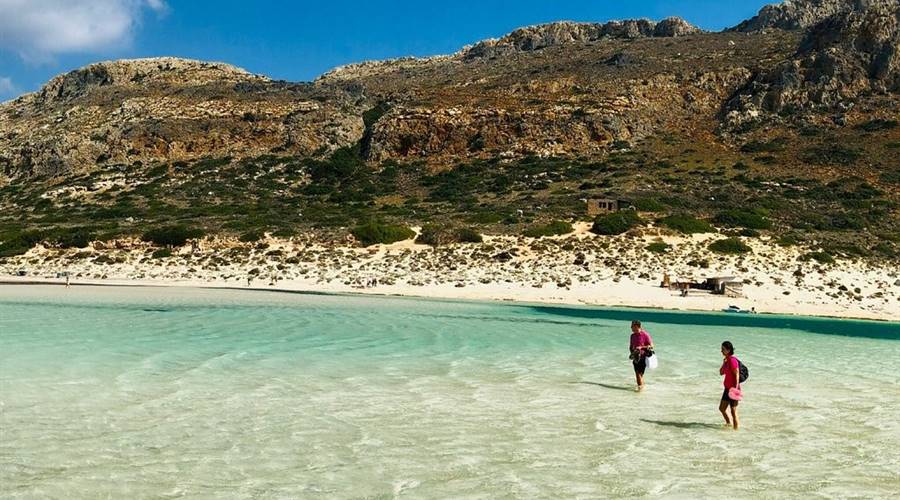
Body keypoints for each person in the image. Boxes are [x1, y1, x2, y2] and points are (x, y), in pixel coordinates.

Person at [719, 341, 741, 430]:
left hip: (734, 389)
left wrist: (735, 389)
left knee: (733, 411)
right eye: (721, 349)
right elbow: (721, 373)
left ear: (728, 350)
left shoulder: (733, 360)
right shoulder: (727, 361)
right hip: (727, 389)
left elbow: (737, 374)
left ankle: (736, 431)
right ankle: (728, 423)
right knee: (722, 409)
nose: (721, 351)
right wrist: (724, 363)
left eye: (723, 349)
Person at [629, 320, 654, 391]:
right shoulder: (632, 336)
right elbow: (631, 346)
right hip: (636, 357)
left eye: (632, 326)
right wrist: (632, 353)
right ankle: (641, 390)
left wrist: (641, 347)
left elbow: (652, 346)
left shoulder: (645, 334)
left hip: (643, 357)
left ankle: (640, 389)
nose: (631, 328)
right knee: (637, 374)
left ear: (637, 326)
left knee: (640, 375)